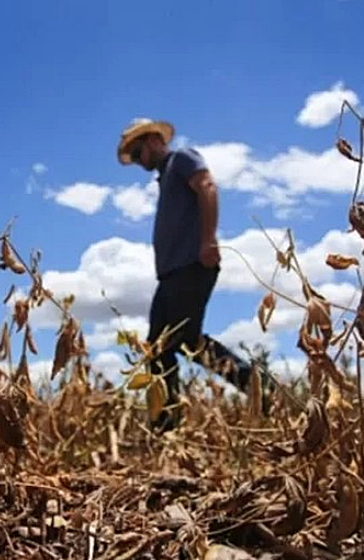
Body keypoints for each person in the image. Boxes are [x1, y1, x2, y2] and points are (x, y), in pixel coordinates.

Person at [116, 118, 271, 432]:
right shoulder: (165, 178)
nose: (136, 161)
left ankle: (259, 392)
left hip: (191, 265)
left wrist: (208, 240)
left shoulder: (182, 159)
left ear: (152, 140)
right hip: (171, 274)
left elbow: (207, 186)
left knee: (174, 343)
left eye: (137, 153)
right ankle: (166, 421)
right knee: (161, 346)